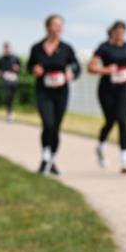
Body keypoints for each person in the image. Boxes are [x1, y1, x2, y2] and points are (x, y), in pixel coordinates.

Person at [27, 14, 81, 175]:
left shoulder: (66, 48)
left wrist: (72, 74)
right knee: (48, 123)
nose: (58, 28)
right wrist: (34, 70)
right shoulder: (37, 48)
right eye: (55, 25)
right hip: (43, 91)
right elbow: (29, 66)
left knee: (56, 127)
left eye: (60, 25)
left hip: (61, 92)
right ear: (48, 27)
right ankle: (45, 157)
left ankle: (52, 160)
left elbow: (76, 66)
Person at [88, 21, 126, 174]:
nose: (120, 36)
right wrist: (105, 70)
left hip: (125, 87)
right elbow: (90, 67)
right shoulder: (103, 48)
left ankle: (125, 161)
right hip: (107, 89)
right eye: (118, 32)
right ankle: (100, 146)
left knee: (123, 120)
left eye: (123, 33)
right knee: (110, 120)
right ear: (112, 32)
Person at [0, 42, 22, 122]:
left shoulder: (15, 58)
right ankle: (9, 113)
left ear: (11, 49)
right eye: (5, 48)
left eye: (8, 48)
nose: (7, 50)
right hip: (5, 80)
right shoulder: (1, 59)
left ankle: (11, 112)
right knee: (7, 96)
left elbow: (20, 69)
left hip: (14, 80)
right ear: (4, 49)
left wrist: (17, 68)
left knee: (12, 97)